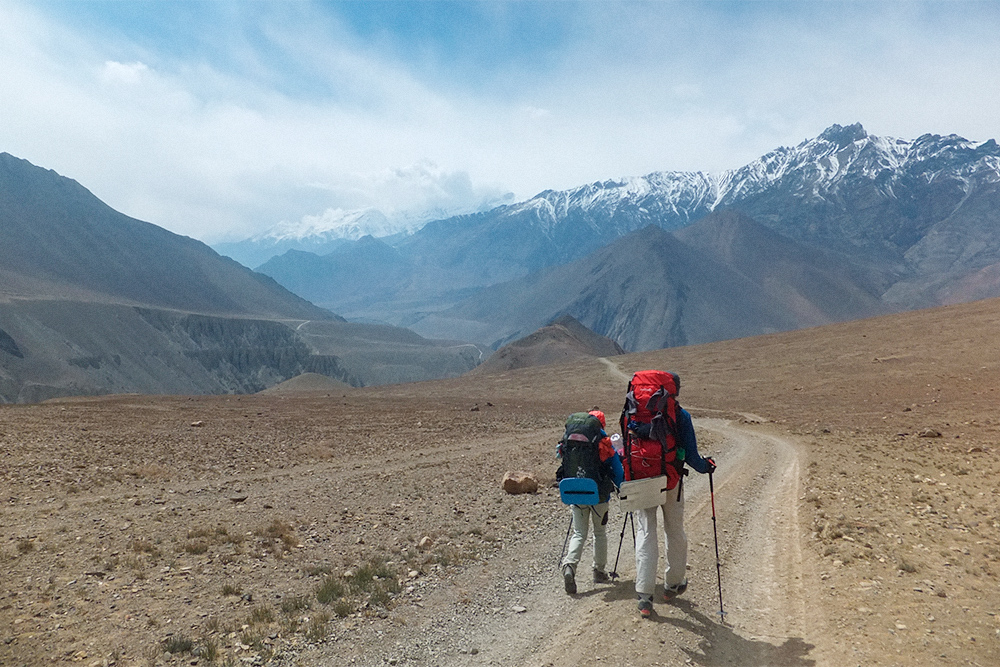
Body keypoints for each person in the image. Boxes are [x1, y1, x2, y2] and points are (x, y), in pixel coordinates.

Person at [630, 382, 715, 618]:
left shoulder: (634, 410)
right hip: (671, 479)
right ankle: (673, 585)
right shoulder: (680, 415)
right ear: (674, 391)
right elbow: (690, 454)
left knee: (646, 532)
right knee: (674, 530)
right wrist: (706, 467)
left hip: (643, 479)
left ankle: (645, 596)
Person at [558, 409, 623, 594]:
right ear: (601, 425)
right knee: (599, 533)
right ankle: (599, 571)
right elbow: (617, 473)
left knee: (579, 533)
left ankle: (569, 566)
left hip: (575, 493)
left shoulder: (569, 442)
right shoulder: (605, 445)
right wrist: (623, 487)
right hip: (598, 496)